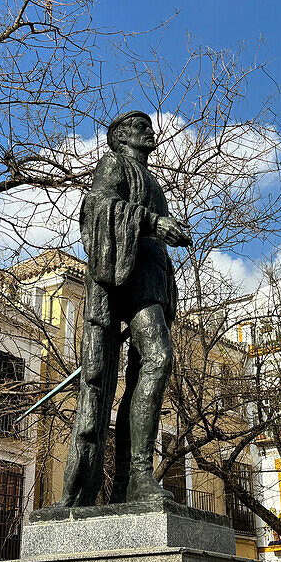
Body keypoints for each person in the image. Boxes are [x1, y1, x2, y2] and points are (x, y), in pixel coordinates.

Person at [58, 110, 193, 506]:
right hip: (128, 273)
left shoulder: (151, 180)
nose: (150, 131)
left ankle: (126, 482)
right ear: (119, 136)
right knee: (159, 357)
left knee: (145, 368)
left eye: (149, 126)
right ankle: (135, 471)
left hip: (152, 276)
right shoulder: (114, 163)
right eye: (139, 127)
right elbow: (99, 206)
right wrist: (152, 221)